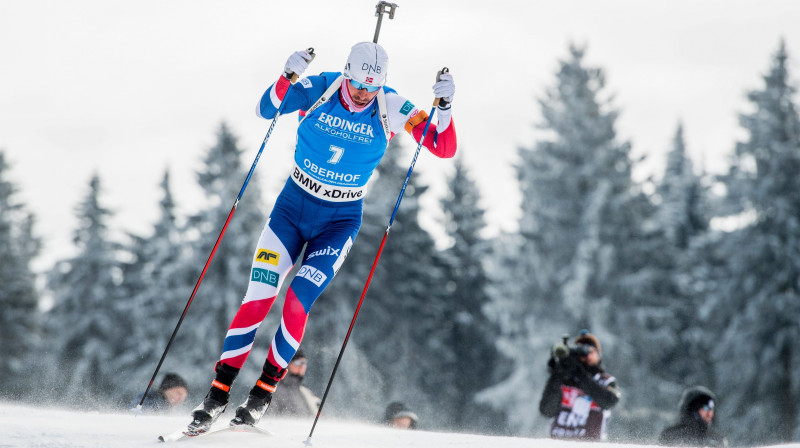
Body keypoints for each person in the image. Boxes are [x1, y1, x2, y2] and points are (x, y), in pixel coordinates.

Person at [186, 42, 457, 434]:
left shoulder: (393, 106)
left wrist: (444, 108)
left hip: (339, 221)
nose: (364, 93)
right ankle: (216, 395)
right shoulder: (321, 88)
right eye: (357, 84)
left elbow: (442, 147)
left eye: (372, 86)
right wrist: (286, 76)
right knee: (258, 299)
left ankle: (262, 394)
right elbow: (267, 109)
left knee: (296, 302)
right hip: (291, 210)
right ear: (346, 73)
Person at [539, 331, 621, 440]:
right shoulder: (565, 381)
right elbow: (547, 410)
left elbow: (609, 401)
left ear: (598, 355)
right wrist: (557, 374)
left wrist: (579, 374)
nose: (587, 356)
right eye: (582, 353)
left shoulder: (604, 381)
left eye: (591, 351)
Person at [658, 385, 727, 447]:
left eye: (712, 409)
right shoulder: (671, 435)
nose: (710, 413)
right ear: (693, 409)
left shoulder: (717, 440)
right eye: (706, 408)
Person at [269, 349, 320, 416]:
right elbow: (269, 418)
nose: (302, 366)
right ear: (288, 364)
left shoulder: (306, 392)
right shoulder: (276, 390)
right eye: (298, 362)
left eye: (304, 363)